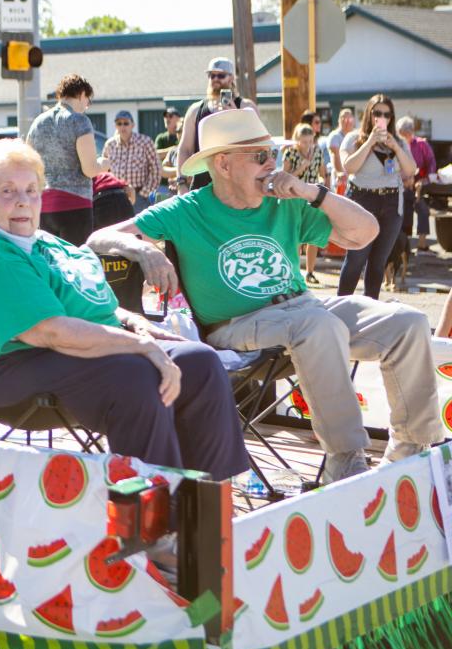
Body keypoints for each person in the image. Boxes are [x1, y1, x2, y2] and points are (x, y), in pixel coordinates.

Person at [89, 108, 441, 483]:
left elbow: (365, 233)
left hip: (304, 308)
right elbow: (98, 238)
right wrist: (146, 250)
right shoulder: (188, 209)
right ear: (223, 164)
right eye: (260, 156)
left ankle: (411, 453)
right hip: (237, 325)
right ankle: (345, 461)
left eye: (271, 153)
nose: (272, 164)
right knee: (317, 325)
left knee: (408, 322)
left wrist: (312, 192)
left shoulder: (283, 201)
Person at [0, 139, 247, 479]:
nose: (23, 201)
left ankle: (210, 502)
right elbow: (50, 331)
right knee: (136, 376)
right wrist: (140, 346)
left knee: (199, 362)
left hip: (56, 349)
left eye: (31, 190)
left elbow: (96, 307)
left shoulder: (44, 242)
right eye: (8, 191)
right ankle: (154, 512)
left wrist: (134, 323)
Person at [338, 94, 415, 300]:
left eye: (387, 114)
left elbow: (411, 170)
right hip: (362, 200)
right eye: (377, 113)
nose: (382, 118)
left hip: (391, 202)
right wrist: (370, 141)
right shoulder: (354, 138)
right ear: (369, 114)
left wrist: (396, 147)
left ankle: (370, 310)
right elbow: (349, 166)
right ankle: (339, 307)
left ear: (391, 118)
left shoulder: (397, 141)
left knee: (378, 261)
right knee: (356, 258)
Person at [25, 74, 108, 246]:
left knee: (51, 264)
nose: (87, 106)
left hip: (44, 206)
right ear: (81, 94)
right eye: (88, 100)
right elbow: (90, 169)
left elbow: (29, 164)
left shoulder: (38, 123)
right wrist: (105, 164)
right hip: (75, 204)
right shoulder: (80, 121)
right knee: (75, 265)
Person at [175, 57, 257, 194]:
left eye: (221, 75)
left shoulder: (246, 107)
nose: (215, 79)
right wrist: (181, 183)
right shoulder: (196, 110)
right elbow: (184, 149)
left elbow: (258, 146)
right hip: (202, 188)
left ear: (231, 79)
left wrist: (236, 117)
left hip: (237, 189)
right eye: (211, 75)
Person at [282, 122, 327, 285]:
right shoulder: (290, 153)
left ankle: (310, 271)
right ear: (297, 140)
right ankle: (295, 271)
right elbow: (284, 177)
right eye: (304, 141)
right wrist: (301, 168)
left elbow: (323, 173)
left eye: (310, 141)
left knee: (313, 236)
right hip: (295, 197)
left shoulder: (317, 152)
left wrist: (324, 183)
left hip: (313, 195)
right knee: (297, 236)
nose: (307, 145)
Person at [103, 110, 160, 213]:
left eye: (126, 123)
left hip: (140, 196)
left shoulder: (145, 142)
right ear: (115, 126)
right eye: (119, 123)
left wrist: (144, 194)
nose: (122, 127)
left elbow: (156, 169)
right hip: (115, 196)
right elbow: (104, 172)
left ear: (133, 125)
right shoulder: (110, 145)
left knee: (138, 227)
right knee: (117, 227)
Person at [397, 116, 436, 252]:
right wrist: (403, 180)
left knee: (422, 209)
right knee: (405, 210)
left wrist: (423, 181)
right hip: (403, 184)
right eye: (402, 133)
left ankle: (422, 243)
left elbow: (431, 162)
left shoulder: (421, 144)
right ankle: (405, 246)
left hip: (419, 184)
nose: (405, 136)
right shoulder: (397, 145)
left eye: (407, 132)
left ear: (412, 132)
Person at [328, 107, 356, 188]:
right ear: (339, 120)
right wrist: (341, 174)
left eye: (349, 118)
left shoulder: (356, 135)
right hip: (340, 179)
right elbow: (335, 155)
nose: (347, 121)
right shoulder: (335, 136)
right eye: (344, 118)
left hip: (354, 179)